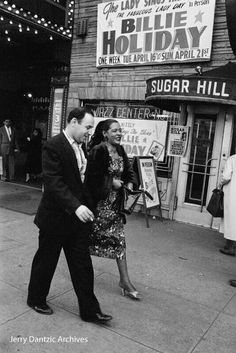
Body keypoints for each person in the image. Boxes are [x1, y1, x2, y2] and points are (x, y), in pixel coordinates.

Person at [27, 107, 112, 324]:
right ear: (73, 122)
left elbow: (83, 182)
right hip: (55, 218)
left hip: (77, 221)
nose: (89, 132)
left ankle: (90, 311)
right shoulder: (53, 145)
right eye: (87, 127)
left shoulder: (83, 147)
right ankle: (36, 299)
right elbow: (54, 183)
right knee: (46, 262)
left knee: (82, 265)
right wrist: (76, 206)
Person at [85, 119, 141, 300]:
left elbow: (129, 170)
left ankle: (125, 281)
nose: (119, 133)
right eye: (115, 131)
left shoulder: (121, 150)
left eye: (120, 130)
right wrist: (111, 183)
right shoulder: (98, 150)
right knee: (85, 242)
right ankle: (81, 276)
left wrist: (131, 182)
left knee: (119, 242)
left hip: (115, 207)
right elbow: (91, 179)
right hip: (98, 207)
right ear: (105, 133)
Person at [218, 153, 236, 256]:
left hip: (233, 194)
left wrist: (220, 184)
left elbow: (226, 177)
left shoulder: (233, 159)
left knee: (231, 220)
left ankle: (230, 247)